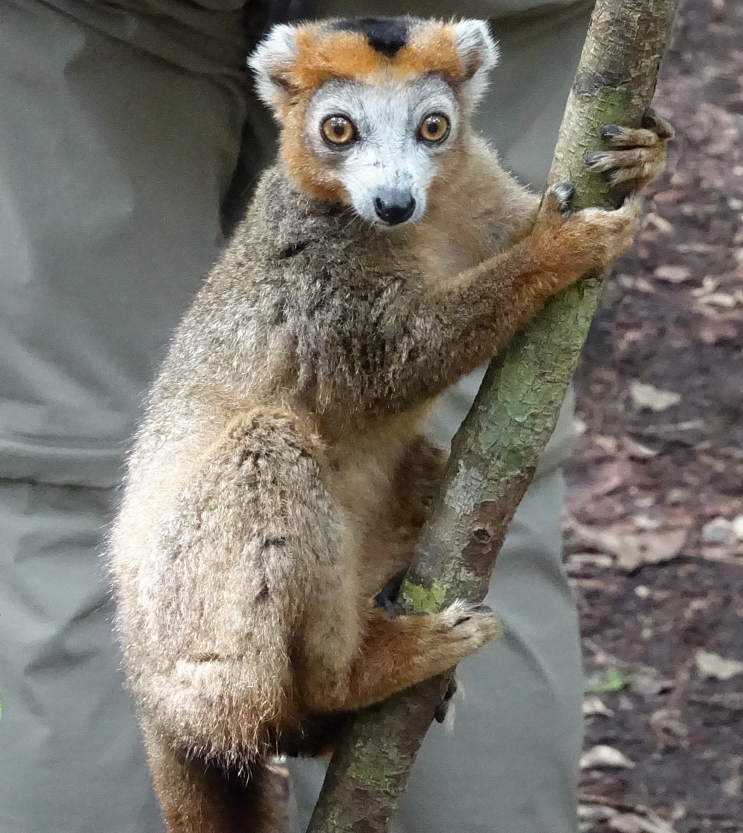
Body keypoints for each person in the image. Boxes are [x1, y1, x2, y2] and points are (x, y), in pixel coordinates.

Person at [0, 1, 593, 831]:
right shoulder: (324, 229)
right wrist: (540, 262)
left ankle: (350, 669)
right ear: (294, 100)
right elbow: (396, 359)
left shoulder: (463, 169)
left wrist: (564, 227)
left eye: (427, 130)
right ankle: (331, 673)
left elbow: (530, 228)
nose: (395, 182)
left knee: (52, 489)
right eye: (345, 133)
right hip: (228, 604)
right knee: (452, 481)